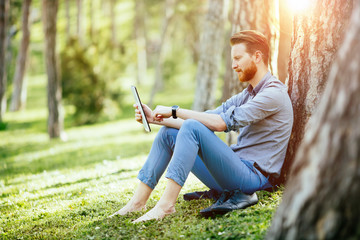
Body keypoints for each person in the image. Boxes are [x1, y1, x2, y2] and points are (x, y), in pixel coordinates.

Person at [110, 30, 293, 222]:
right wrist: (153, 118)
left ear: (257, 56)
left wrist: (175, 110)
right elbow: (206, 119)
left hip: (254, 180)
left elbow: (220, 124)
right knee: (169, 133)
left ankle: (165, 206)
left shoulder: (273, 94)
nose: (233, 65)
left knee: (190, 127)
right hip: (233, 173)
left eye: (238, 58)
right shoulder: (247, 95)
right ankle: (137, 203)